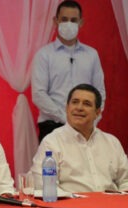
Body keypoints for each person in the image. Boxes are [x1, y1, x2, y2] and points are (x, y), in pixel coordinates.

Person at [30, 84, 128, 193]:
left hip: (110, 206)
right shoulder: (52, 142)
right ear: (67, 108)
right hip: (72, 207)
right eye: (75, 102)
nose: (79, 108)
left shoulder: (112, 142)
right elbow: (44, 185)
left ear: (97, 113)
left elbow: (127, 181)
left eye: (87, 104)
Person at [32, 0, 105, 142]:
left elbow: (100, 92)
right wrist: (66, 118)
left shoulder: (91, 55)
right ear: (55, 21)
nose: (68, 24)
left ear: (81, 23)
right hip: (52, 125)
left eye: (73, 20)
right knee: (51, 164)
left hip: (86, 126)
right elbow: (38, 94)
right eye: (64, 19)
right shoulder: (44, 55)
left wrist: (92, 119)